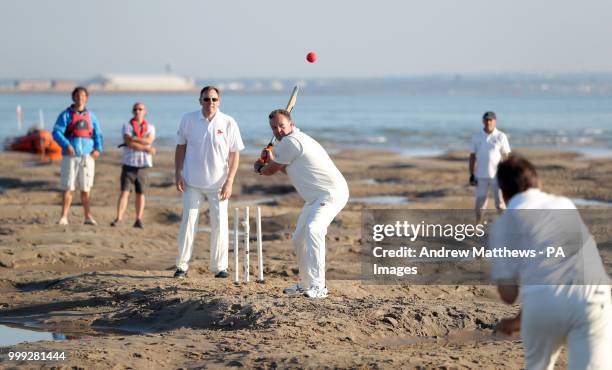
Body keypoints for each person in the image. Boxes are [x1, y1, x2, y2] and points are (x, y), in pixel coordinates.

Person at [489, 154, 611, 370]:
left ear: (504, 194)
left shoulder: (503, 225)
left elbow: (510, 295)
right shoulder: (564, 204)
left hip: (542, 305)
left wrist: (517, 320)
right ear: (538, 183)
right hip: (592, 296)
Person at [254, 109, 349, 299]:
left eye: (282, 125)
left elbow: (271, 170)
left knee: (314, 230)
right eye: (274, 127)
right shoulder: (290, 142)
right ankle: (305, 283)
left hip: (330, 194)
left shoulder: (292, 141)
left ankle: (318, 286)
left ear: (291, 124)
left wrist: (260, 166)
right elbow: (286, 170)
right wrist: (270, 161)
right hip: (315, 198)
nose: (278, 130)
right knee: (299, 237)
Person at [174, 86, 244, 279]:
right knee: (188, 223)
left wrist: (230, 181)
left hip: (219, 184)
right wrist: (178, 173)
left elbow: (234, 154)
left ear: (219, 101)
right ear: (200, 101)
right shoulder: (188, 119)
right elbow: (180, 147)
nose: (210, 103)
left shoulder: (228, 122)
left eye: (214, 99)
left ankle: (220, 267)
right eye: (206, 99)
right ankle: (181, 266)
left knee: (220, 225)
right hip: (191, 182)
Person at [52, 86, 103, 225]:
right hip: (70, 156)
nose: (80, 99)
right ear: (73, 98)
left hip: (87, 157)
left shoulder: (92, 116)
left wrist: (98, 149)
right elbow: (56, 133)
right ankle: (64, 217)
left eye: (83, 96)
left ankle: (88, 217)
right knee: (68, 187)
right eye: (78, 96)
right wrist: (66, 145)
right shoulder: (65, 115)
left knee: (86, 188)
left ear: (86, 98)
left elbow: (98, 135)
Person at [111, 102, 156, 229]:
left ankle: (138, 219)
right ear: (132, 111)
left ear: (145, 111)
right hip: (129, 163)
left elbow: (149, 140)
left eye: (140, 109)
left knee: (140, 192)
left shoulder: (151, 127)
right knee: (124, 191)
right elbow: (128, 142)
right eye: (135, 109)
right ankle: (119, 218)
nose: (138, 111)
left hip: (143, 165)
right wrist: (146, 148)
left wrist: (135, 138)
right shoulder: (127, 125)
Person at [469, 111, 511, 223]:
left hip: (497, 176)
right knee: (479, 204)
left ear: (495, 121)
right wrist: (471, 174)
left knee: (500, 204)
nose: (488, 122)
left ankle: (505, 226)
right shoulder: (476, 137)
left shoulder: (501, 136)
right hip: (480, 176)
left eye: (490, 120)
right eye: (486, 120)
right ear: (483, 121)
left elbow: (506, 156)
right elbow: (472, 155)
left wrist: (507, 174)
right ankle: (478, 226)